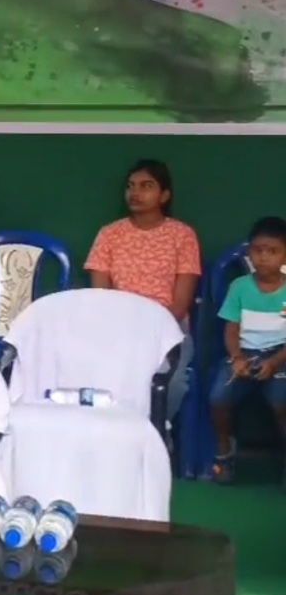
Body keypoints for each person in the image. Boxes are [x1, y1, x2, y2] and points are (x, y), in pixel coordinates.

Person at [85, 159, 201, 419]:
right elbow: (100, 298)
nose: (135, 192)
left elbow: (180, 305)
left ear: (164, 195)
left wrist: (150, 330)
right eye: (130, 186)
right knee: (105, 379)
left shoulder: (182, 235)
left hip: (167, 329)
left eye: (146, 186)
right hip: (118, 328)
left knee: (170, 385)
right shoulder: (110, 234)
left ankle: (156, 433)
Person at [207, 216, 286, 484]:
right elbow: (231, 329)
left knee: (281, 403)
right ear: (249, 252)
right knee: (218, 398)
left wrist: (274, 362)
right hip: (243, 354)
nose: (263, 257)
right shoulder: (239, 287)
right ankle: (223, 452)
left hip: (280, 357)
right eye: (257, 250)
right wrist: (237, 358)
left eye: (272, 251)